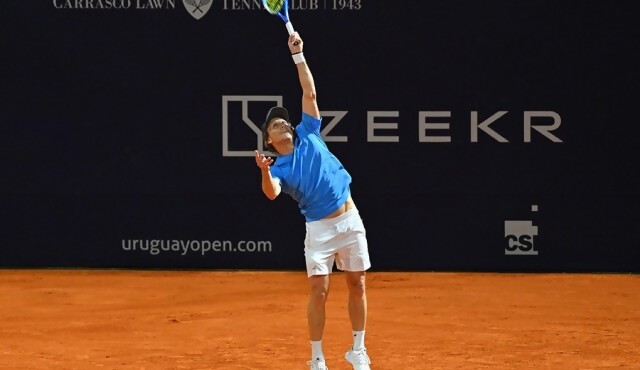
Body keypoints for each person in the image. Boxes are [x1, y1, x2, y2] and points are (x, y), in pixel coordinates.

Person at [254, 31, 372, 370]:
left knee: (357, 283)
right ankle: (317, 359)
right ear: (269, 140)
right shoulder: (278, 167)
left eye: (283, 120)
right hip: (319, 229)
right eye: (275, 124)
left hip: (350, 219)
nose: (282, 123)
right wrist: (263, 171)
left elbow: (309, 91)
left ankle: (358, 351)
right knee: (319, 291)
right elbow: (272, 194)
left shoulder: (308, 131)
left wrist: (298, 55)